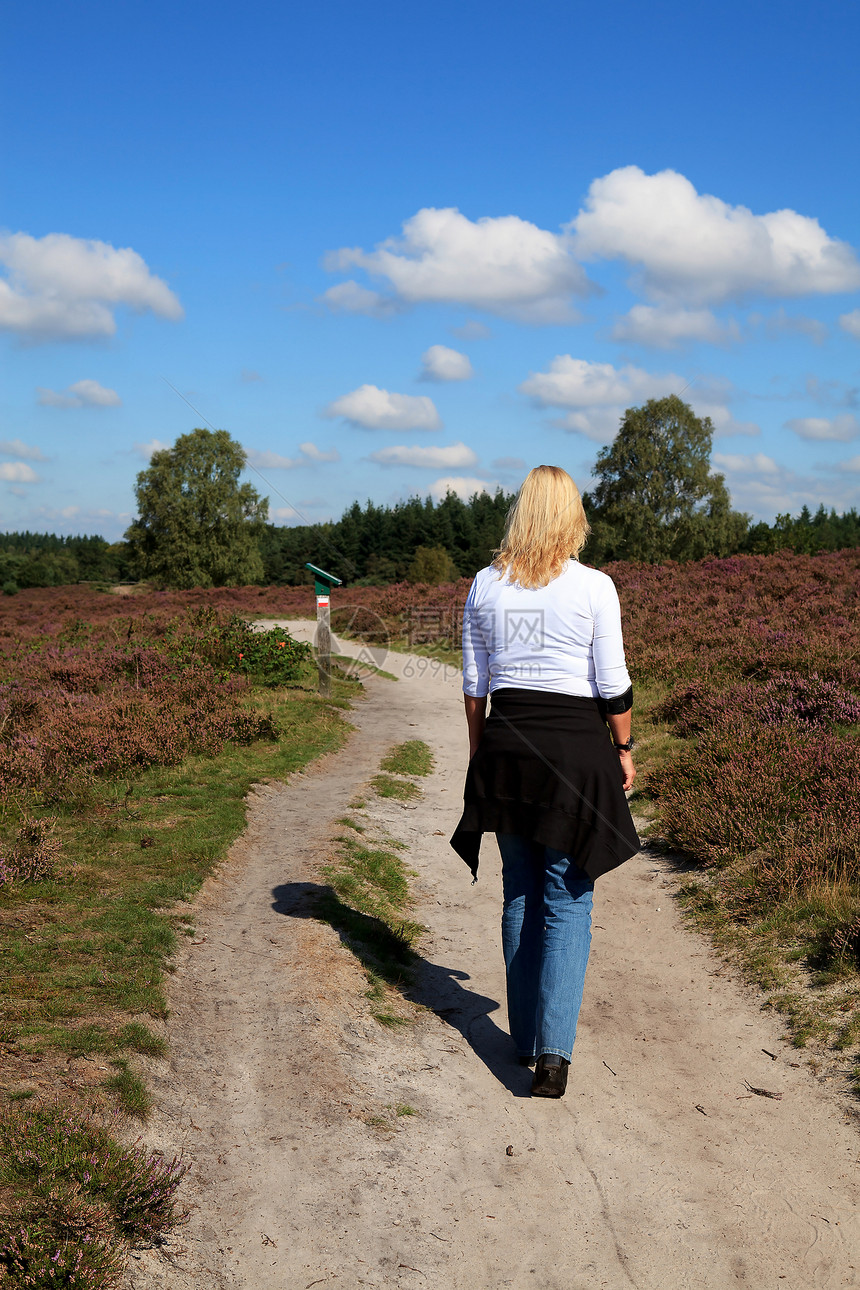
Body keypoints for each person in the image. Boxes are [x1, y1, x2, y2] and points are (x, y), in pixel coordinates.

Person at [450, 465, 640, 1098]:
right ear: (573, 515)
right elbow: (612, 682)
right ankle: (553, 1056)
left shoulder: (484, 583)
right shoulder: (594, 587)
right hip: (573, 749)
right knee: (567, 894)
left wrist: (481, 753)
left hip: (508, 746)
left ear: (520, 513)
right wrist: (625, 746)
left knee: (521, 889)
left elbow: (475, 686)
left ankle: (524, 1040)